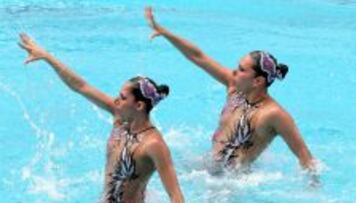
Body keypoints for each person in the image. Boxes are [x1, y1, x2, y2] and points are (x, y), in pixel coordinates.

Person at [145, 7, 317, 175]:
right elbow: (199, 57)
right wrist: (165, 32)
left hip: (232, 181)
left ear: (257, 81)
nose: (234, 72)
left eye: (242, 70)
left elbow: (304, 155)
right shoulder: (235, 88)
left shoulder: (274, 114)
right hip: (208, 166)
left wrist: (313, 186)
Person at [18, 33, 184, 203]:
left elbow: (175, 195)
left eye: (123, 97)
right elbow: (81, 86)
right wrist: (47, 57)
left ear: (139, 106)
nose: (116, 100)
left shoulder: (153, 144)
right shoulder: (120, 115)